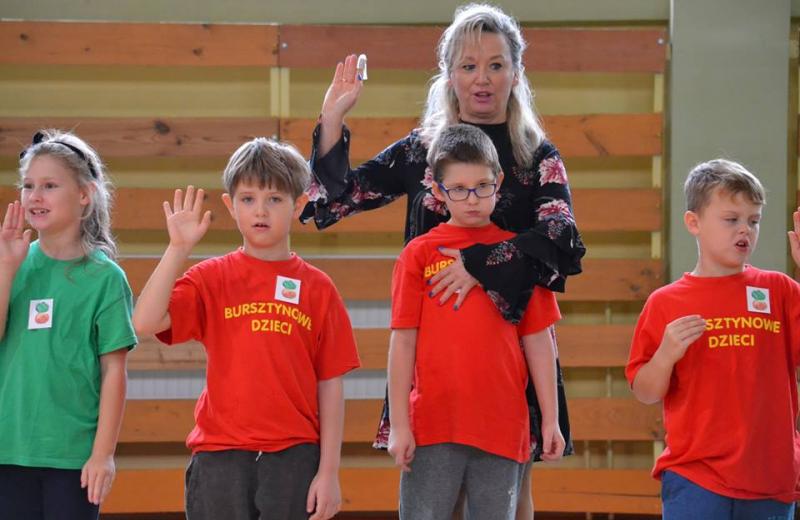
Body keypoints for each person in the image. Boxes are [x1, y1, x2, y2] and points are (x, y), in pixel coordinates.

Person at [302, 4, 585, 515]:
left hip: (509, 361)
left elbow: (559, 237)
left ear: (516, 72)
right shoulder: (422, 150)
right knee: (435, 500)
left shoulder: (536, 155)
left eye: (496, 65)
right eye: (468, 66)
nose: (482, 79)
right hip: (433, 362)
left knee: (513, 500)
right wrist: (333, 118)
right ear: (449, 74)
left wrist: (480, 264)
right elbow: (340, 198)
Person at [132, 138, 361, 520]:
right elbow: (144, 322)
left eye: (275, 199)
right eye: (248, 199)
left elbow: (331, 385)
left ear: (298, 205)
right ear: (231, 206)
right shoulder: (211, 277)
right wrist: (177, 249)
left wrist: (329, 472)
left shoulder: (318, 288)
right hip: (220, 456)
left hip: (293, 457)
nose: (260, 210)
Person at [387, 124, 564, 519]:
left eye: (482, 186)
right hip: (433, 424)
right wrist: (399, 424)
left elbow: (539, 341)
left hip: (503, 425)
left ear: (498, 182)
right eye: (458, 189)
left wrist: (551, 420)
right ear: (437, 191)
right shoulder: (418, 255)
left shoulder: (519, 255)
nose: (471, 199)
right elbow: (403, 341)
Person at [626, 159, 800, 519]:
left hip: (770, 477)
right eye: (731, 219)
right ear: (694, 223)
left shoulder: (779, 290)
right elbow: (645, 392)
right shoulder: (665, 302)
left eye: (754, 221)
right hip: (695, 476)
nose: (745, 229)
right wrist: (665, 356)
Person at [0, 130, 136, 519]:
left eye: (49, 185)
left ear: (84, 195)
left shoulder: (105, 278)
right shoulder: (11, 262)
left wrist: (103, 454)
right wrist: (6, 269)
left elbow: (114, 371)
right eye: (28, 185)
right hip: (8, 452)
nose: (34, 196)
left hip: (72, 459)